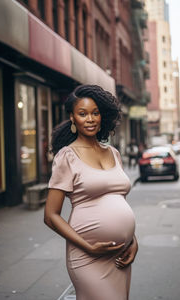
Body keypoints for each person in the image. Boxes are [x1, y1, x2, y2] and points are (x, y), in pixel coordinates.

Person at [44, 85, 138, 300]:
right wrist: (89, 247)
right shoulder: (66, 157)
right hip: (87, 255)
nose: (90, 119)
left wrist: (133, 240)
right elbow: (50, 216)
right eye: (83, 113)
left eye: (95, 113)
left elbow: (118, 203)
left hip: (120, 255)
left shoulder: (113, 153)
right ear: (72, 118)